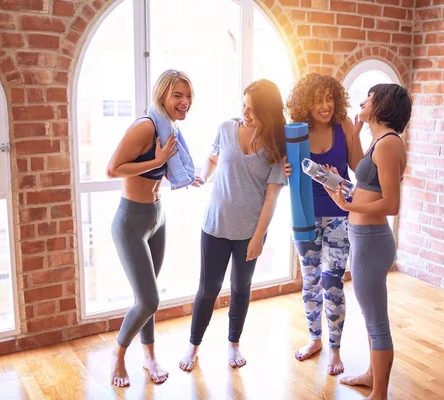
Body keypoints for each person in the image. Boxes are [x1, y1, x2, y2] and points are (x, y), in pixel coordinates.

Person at [178, 79, 288, 372]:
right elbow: (213, 158)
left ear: (268, 112)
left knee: (241, 288)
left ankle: (233, 344)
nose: (245, 113)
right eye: (243, 105)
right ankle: (193, 345)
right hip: (215, 225)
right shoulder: (226, 129)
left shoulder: (277, 146)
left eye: (252, 109)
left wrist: (258, 237)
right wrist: (203, 175)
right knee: (209, 289)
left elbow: (271, 197)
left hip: (249, 233)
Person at [106, 69, 203, 387]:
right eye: (178, 96)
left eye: (188, 96)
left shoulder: (169, 126)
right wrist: (157, 158)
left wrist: (188, 176)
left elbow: (167, 166)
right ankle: (118, 355)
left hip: (156, 217)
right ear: (162, 95)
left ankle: (149, 357)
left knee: (146, 296)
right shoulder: (145, 126)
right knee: (148, 301)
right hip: (131, 223)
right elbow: (113, 169)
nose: (185, 102)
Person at [324, 83, 412, 400]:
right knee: (371, 316)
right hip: (364, 239)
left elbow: (391, 204)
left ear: (382, 105)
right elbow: (368, 183)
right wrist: (342, 188)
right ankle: (372, 377)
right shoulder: (381, 141)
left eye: (369, 98)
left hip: (372, 241)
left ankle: (380, 394)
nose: (361, 102)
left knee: (376, 322)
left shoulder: (388, 145)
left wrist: (348, 206)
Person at [284, 72, 363, 375]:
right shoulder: (295, 131)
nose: (325, 105)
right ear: (306, 103)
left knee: (333, 282)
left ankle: (336, 349)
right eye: (318, 100)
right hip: (305, 216)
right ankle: (315, 339)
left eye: (329, 98)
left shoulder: (343, 126)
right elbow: (282, 169)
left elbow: (359, 166)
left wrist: (360, 136)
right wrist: (285, 165)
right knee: (310, 282)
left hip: (340, 216)